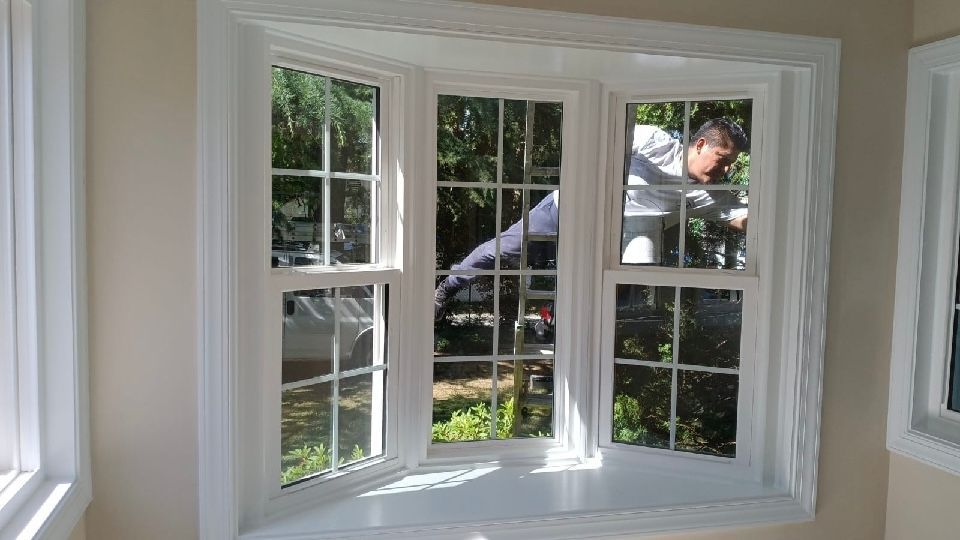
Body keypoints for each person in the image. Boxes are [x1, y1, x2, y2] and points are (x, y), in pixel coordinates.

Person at [434, 118, 749, 319]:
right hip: (567, 211)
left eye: (731, 164)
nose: (725, 171)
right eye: (723, 161)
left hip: (609, 242)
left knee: (615, 286)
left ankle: (551, 319)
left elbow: (744, 220)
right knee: (502, 252)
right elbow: (598, 138)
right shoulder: (654, 142)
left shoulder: (712, 195)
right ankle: (447, 286)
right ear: (701, 145)